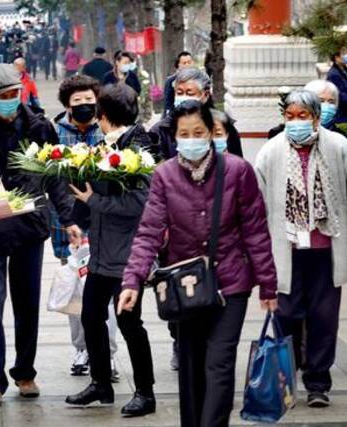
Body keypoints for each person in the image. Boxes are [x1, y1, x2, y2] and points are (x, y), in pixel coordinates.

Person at [120, 100, 278, 427]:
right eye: (184, 133)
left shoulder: (237, 170)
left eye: (199, 132)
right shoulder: (164, 175)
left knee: (219, 363)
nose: (192, 139)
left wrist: (268, 284)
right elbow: (149, 230)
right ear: (175, 137)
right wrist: (132, 281)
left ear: (210, 133)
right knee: (192, 366)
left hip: (231, 284)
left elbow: (255, 230)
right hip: (186, 287)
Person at [0, 64, 82, 407]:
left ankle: (25, 372)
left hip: (29, 227)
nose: (12, 101)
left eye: (15, 94)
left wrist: (68, 219)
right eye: (4, 96)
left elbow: (54, 175)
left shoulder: (40, 126)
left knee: (27, 304)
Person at [64, 84, 158, 416]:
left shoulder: (139, 148)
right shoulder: (107, 146)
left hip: (129, 254)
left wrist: (94, 201)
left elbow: (139, 202)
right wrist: (78, 218)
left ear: (104, 117)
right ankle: (101, 384)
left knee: (130, 322)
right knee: (91, 316)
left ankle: (145, 393)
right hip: (103, 252)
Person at [255, 89, 347, 408]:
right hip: (287, 249)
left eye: (303, 116)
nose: (296, 122)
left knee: (324, 318)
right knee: (287, 315)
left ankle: (318, 382)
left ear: (315, 116)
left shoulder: (338, 147)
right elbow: (258, 202)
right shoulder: (270, 152)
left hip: (326, 248)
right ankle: (287, 374)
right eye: (290, 116)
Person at [52, 75, 120, 380]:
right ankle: (81, 350)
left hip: (104, 223)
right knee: (76, 289)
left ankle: (108, 354)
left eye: (89, 100)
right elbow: (50, 181)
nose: (84, 106)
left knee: (104, 293)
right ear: (67, 104)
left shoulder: (108, 132)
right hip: (69, 226)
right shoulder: (54, 133)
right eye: (77, 101)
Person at [150, 68, 243, 159]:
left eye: (189, 93)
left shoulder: (222, 126)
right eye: (179, 93)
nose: (183, 98)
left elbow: (238, 165)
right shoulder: (160, 130)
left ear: (205, 95)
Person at [164, 51, 194, 116]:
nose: (187, 65)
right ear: (178, 65)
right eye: (184, 63)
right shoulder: (171, 81)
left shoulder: (200, 79)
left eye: (189, 62)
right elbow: (168, 104)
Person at [326, 50, 347, 124]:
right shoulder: (333, 74)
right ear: (336, 57)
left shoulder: (345, 70)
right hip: (343, 114)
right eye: (343, 54)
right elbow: (339, 94)